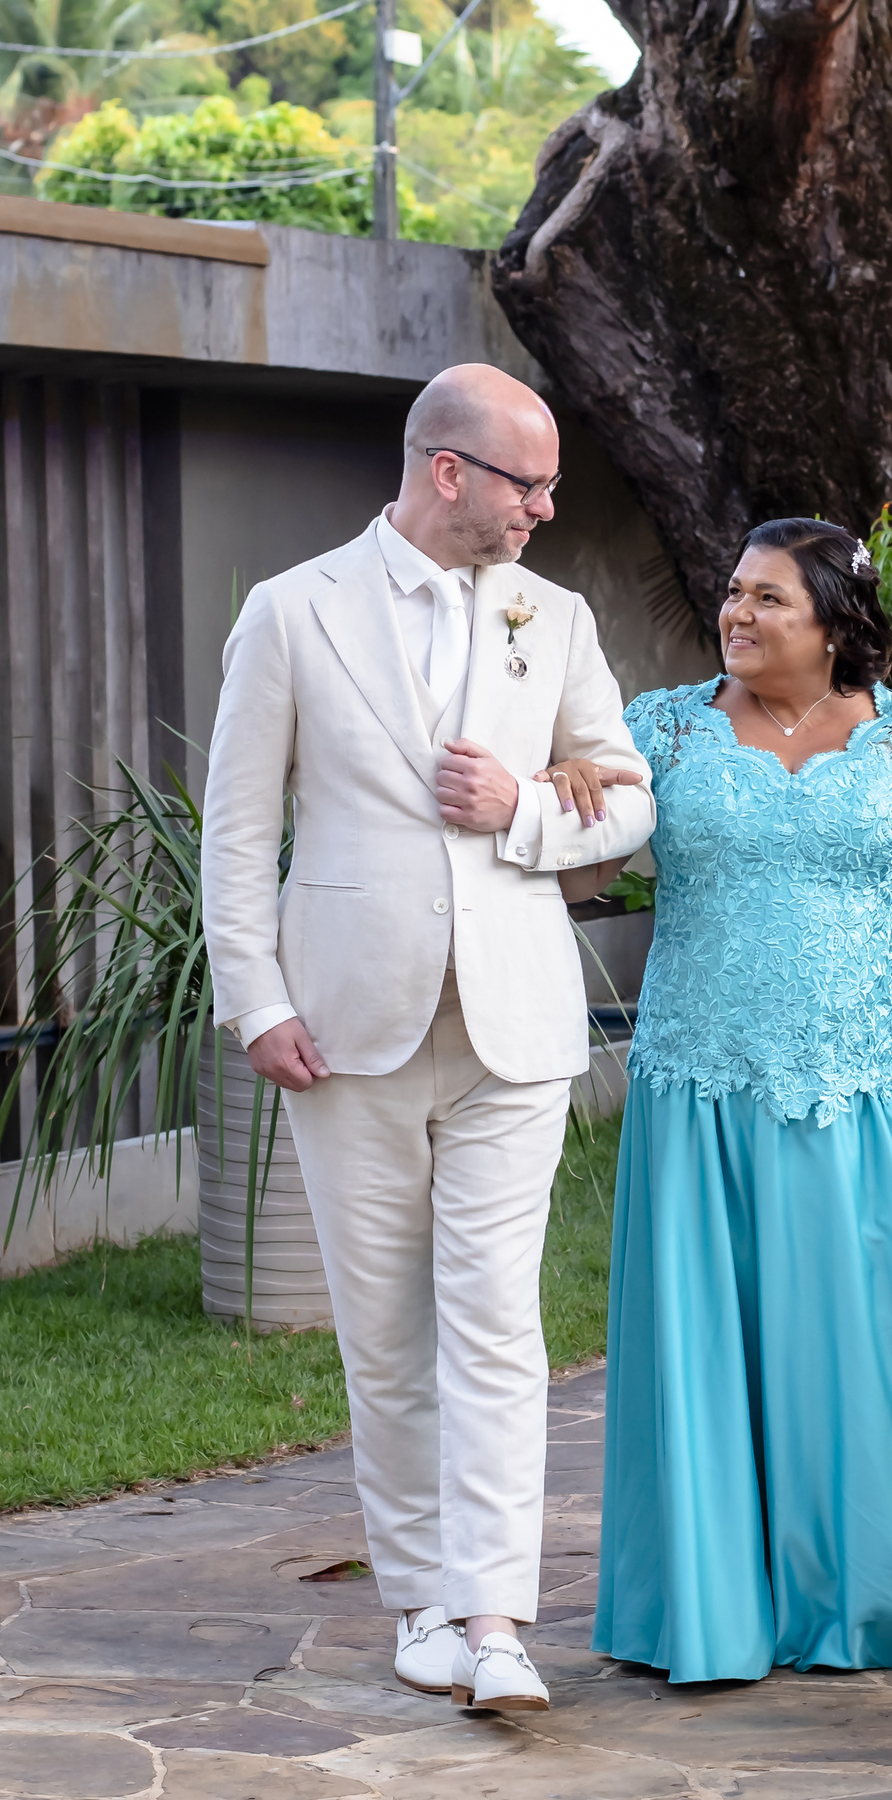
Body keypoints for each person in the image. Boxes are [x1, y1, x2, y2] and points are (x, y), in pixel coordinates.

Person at [199, 364, 655, 1713]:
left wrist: (520, 806)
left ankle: (495, 1618)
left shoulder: (552, 617)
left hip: (516, 1023)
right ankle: (418, 1607)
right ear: (448, 471)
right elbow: (236, 830)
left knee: (498, 1324)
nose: (549, 507)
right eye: (533, 483)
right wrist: (258, 1001)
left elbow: (627, 804)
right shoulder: (290, 613)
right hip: (347, 1030)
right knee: (386, 1335)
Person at [560, 517, 892, 1683]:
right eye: (733, 593)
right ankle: (717, 1608)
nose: (737, 613)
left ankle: (891, 1595)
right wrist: (571, 793)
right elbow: (586, 875)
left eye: (768, 598)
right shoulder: (662, 732)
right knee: (709, 1359)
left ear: (836, 621)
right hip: (702, 1097)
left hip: (867, 1092)